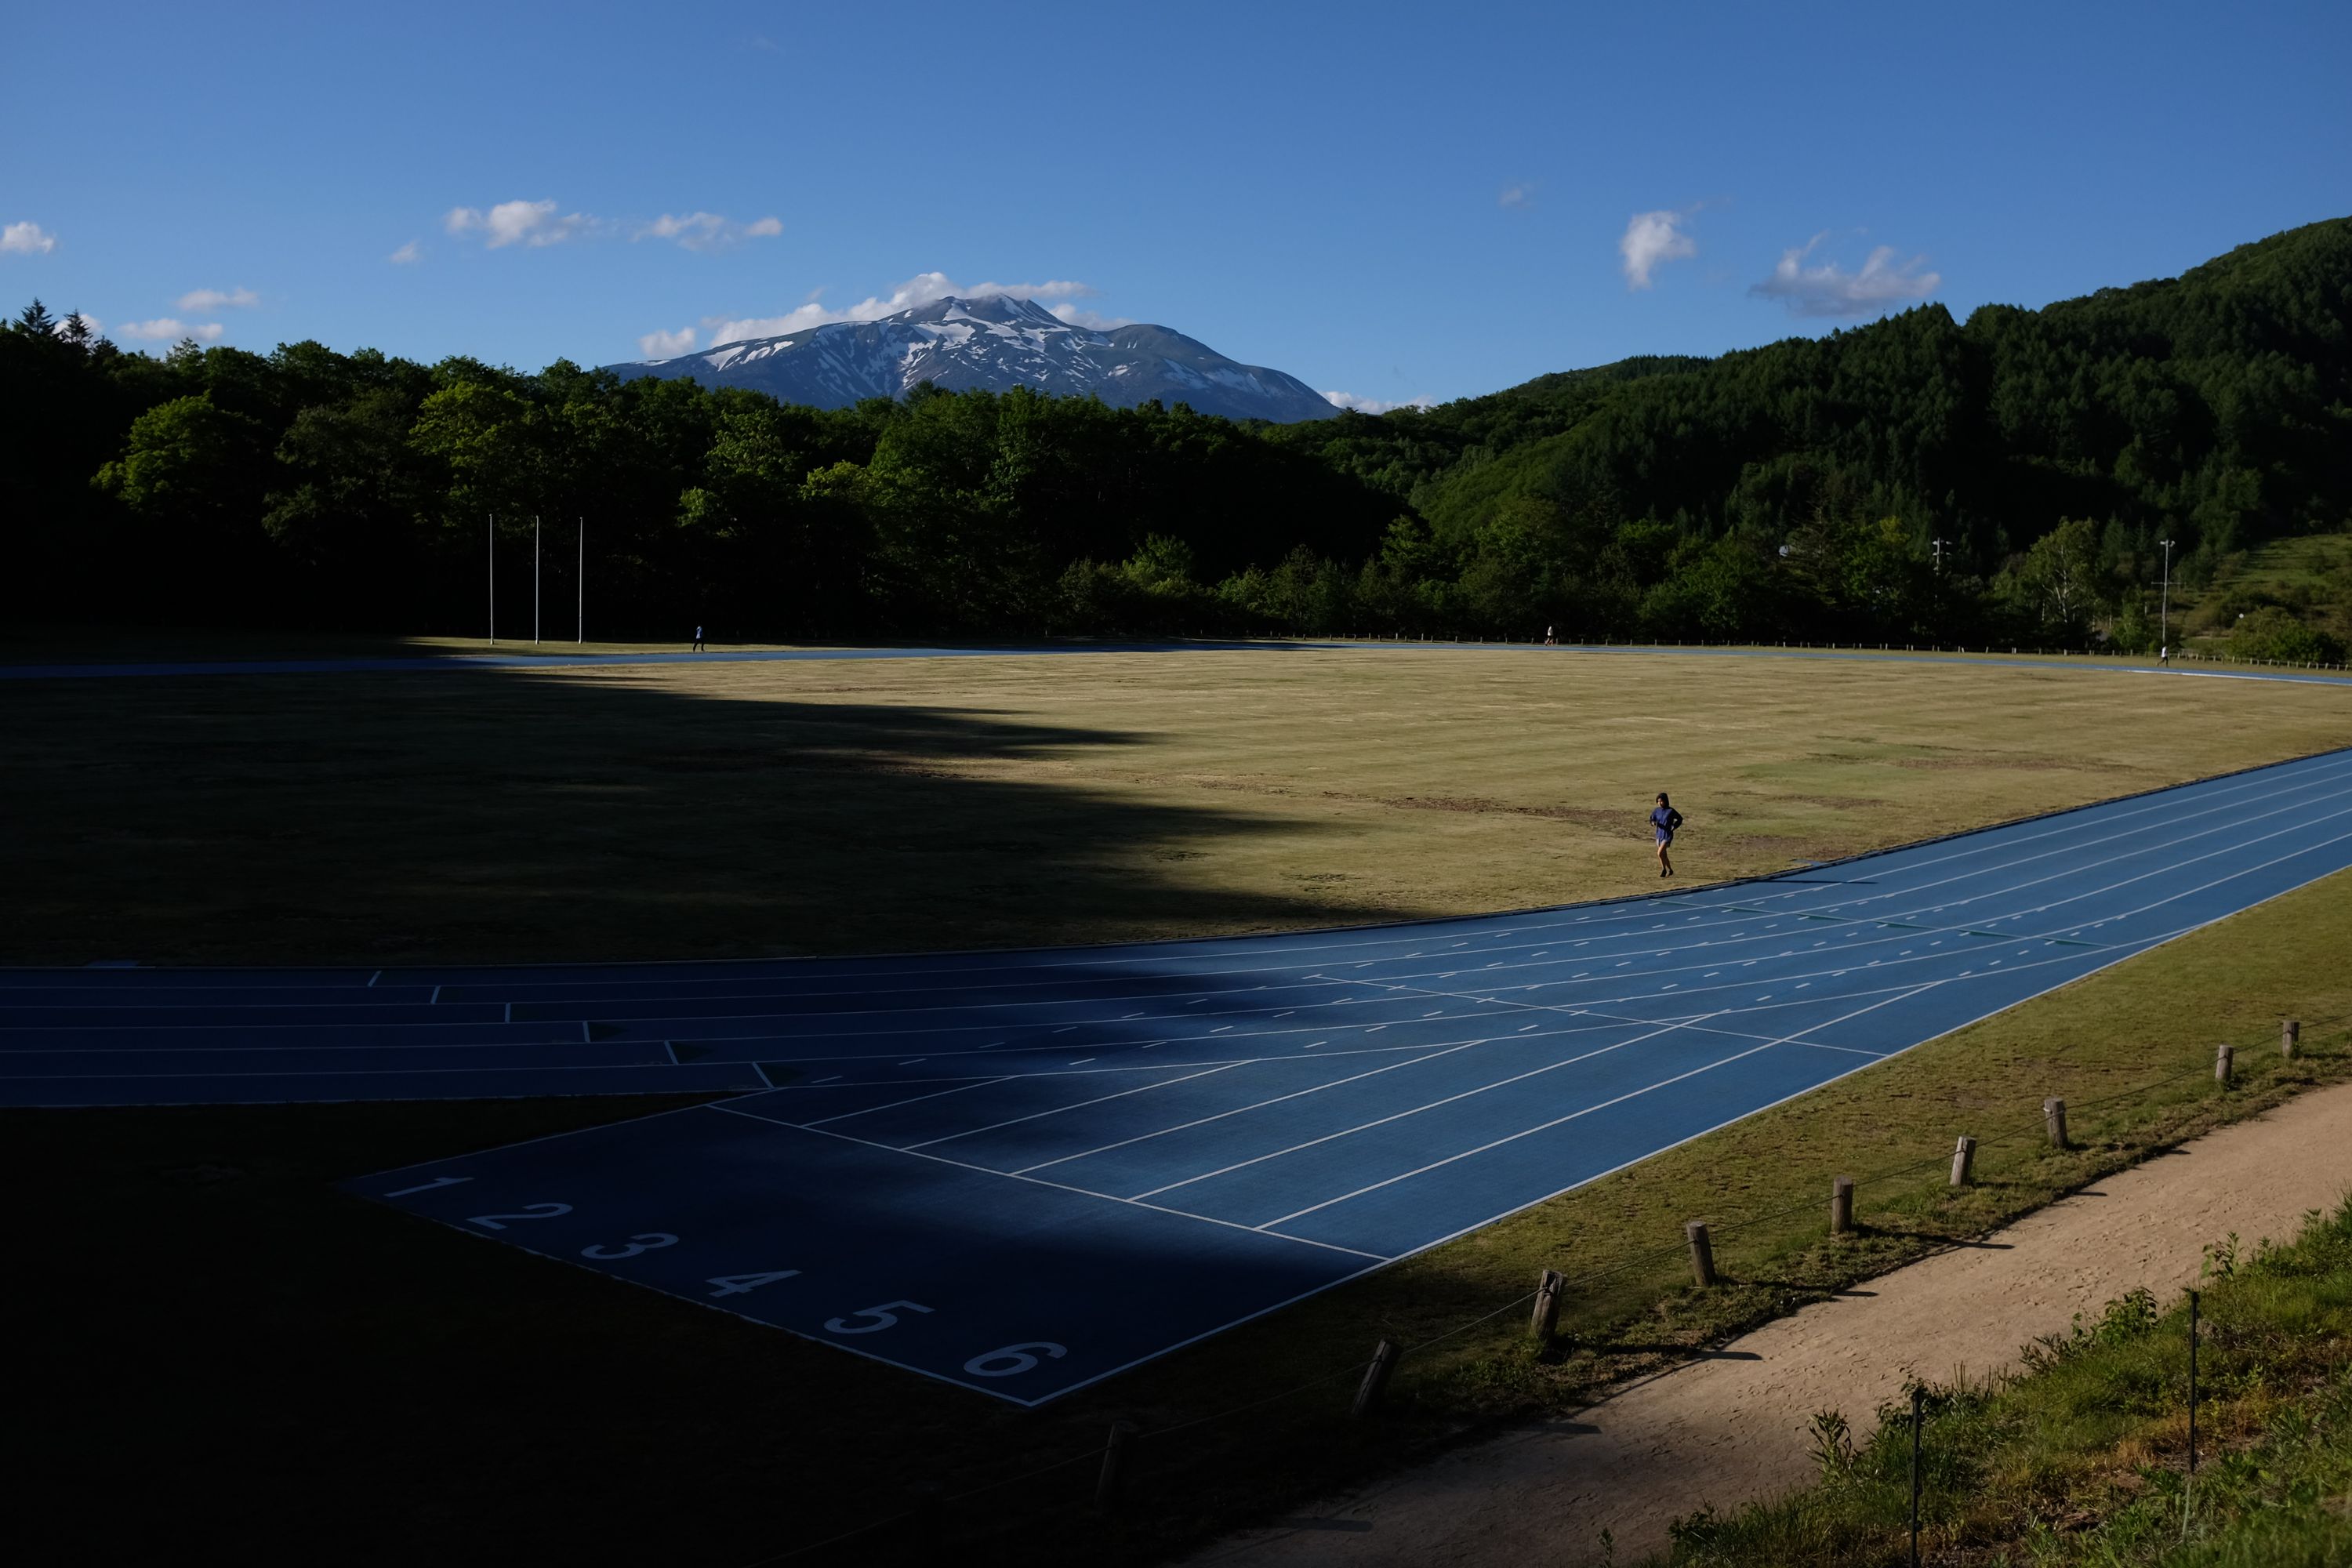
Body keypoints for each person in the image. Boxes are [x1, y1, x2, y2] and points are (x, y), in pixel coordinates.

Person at [1649, 792, 1684, 878]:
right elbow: (1652, 819)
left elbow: (1680, 819)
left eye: (1661, 801)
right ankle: (1670, 870)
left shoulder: (1670, 811)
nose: (1660, 803)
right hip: (1659, 835)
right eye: (1658, 801)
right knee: (1664, 855)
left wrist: (1674, 826)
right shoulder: (1657, 811)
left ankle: (1663, 870)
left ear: (1665, 801)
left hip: (1667, 835)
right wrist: (1653, 823)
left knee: (1659, 853)